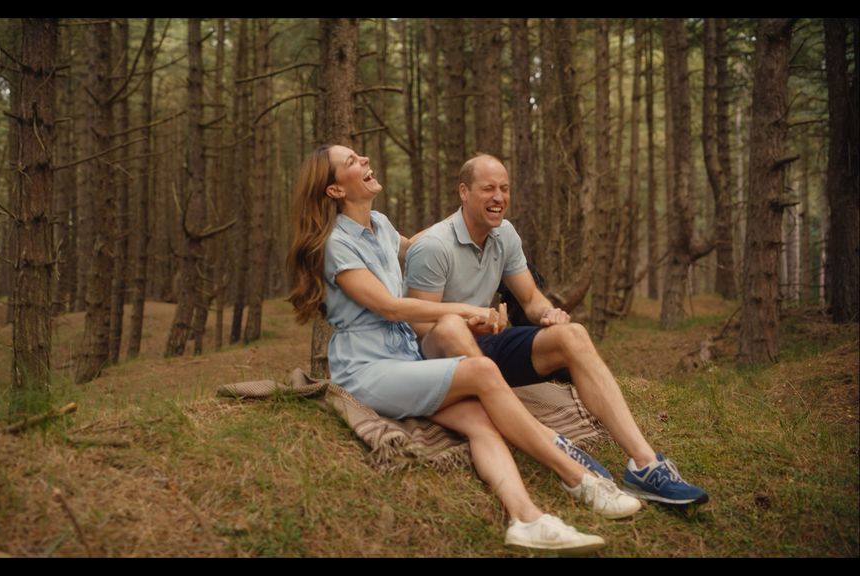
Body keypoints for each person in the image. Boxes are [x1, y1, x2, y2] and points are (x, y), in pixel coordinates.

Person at [287, 145, 641, 554]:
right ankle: (578, 477)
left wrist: (469, 214)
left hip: (405, 361)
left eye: (360, 156)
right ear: (334, 190)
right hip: (367, 368)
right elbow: (388, 305)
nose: (364, 161)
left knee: (478, 419)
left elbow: (417, 243)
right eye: (352, 162)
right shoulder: (335, 244)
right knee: (484, 372)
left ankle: (526, 519)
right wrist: (466, 308)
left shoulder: (380, 224)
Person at [405, 153, 708, 506]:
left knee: (573, 334)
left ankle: (644, 464)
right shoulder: (434, 246)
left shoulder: (505, 235)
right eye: (488, 188)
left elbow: (531, 298)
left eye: (504, 189)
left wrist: (550, 314)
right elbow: (420, 325)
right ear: (464, 192)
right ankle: (542, 435)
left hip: (488, 342)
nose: (498, 197)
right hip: (440, 357)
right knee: (449, 326)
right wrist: (467, 319)